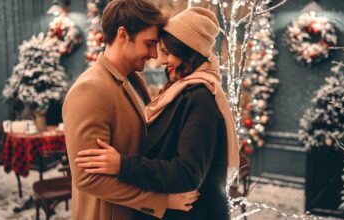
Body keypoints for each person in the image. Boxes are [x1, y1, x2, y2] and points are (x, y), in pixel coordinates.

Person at [75, 7, 240, 220]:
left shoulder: (199, 97)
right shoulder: (178, 89)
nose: (159, 59)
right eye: (154, 46)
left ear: (189, 51)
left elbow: (187, 173)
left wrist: (122, 164)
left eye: (167, 51)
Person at [62, 1, 199, 219]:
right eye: (149, 43)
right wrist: (160, 201)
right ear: (123, 35)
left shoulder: (133, 79)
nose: (154, 54)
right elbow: (88, 178)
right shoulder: (89, 90)